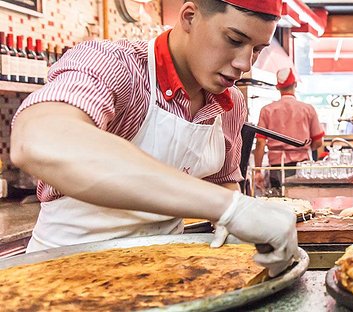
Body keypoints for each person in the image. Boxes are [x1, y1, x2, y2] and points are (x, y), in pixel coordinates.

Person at [10, 0, 298, 277]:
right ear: (189, 17)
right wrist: (231, 209)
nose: (244, 63)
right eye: (234, 39)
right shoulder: (116, 66)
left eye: (257, 50)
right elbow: (39, 140)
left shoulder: (230, 104)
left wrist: (244, 224)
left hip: (165, 276)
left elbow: (221, 182)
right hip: (63, 275)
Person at [253, 68, 324, 189]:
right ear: (295, 84)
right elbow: (318, 141)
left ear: (277, 87)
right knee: (302, 202)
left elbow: (260, 142)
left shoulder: (267, 110)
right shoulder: (308, 109)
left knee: (278, 202)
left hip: (276, 167)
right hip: (301, 167)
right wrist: (305, 148)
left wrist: (258, 171)